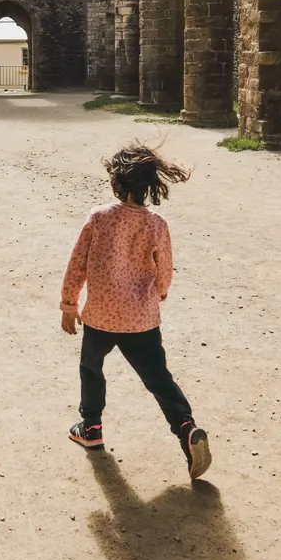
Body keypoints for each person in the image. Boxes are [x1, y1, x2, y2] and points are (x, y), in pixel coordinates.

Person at [60, 143, 212, 480]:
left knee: (91, 368)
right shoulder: (156, 224)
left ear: (117, 182)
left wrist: (69, 304)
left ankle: (91, 427)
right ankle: (185, 428)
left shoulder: (99, 216)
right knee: (158, 378)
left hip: (100, 316)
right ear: (149, 186)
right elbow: (165, 268)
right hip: (142, 319)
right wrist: (160, 292)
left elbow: (77, 262)